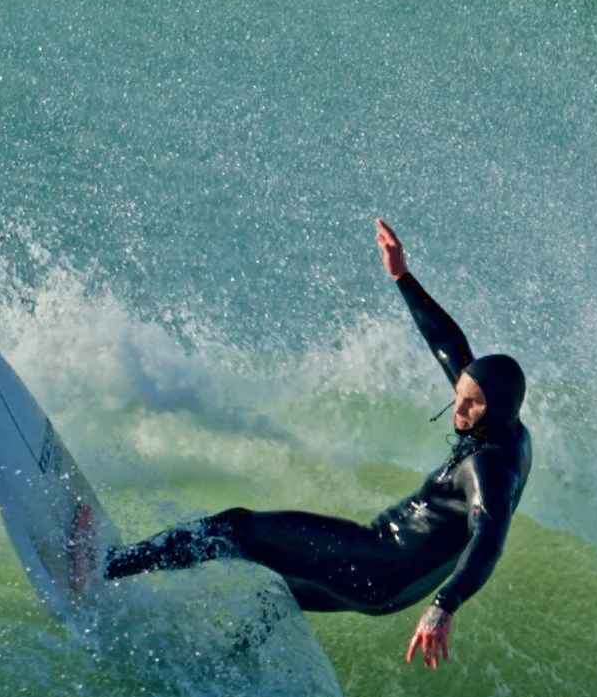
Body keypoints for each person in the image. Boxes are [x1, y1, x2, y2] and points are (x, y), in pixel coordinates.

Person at [100, 220, 532, 669]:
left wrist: (445, 605)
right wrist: (402, 276)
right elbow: (448, 343)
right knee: (280, 593)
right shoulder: (502, 421)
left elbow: (489, 538)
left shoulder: (490, 469)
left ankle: (110, 566)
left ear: (496, 405)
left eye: (471, 403)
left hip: (376, 563)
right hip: (386, 580)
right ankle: (224, 668)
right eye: (458, 395)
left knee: (237, 529)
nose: (458, 409)